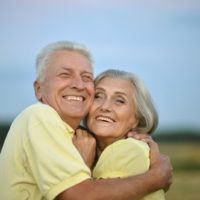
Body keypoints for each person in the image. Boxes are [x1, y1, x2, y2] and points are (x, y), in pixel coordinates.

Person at [0, 41, 172, 200]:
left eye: (86, 77)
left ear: (138, 118)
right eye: (65, 74)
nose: (78, 85)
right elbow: (78, 195)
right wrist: (155, 178)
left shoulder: (128, 149)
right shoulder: (40, 116)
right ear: (38, 89)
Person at [83, 69, 166, 199]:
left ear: (137, 118)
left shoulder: (128, 151)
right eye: (98, 96)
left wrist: (82, 166)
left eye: (120, 101)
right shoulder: (86, 148)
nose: (105, 107)